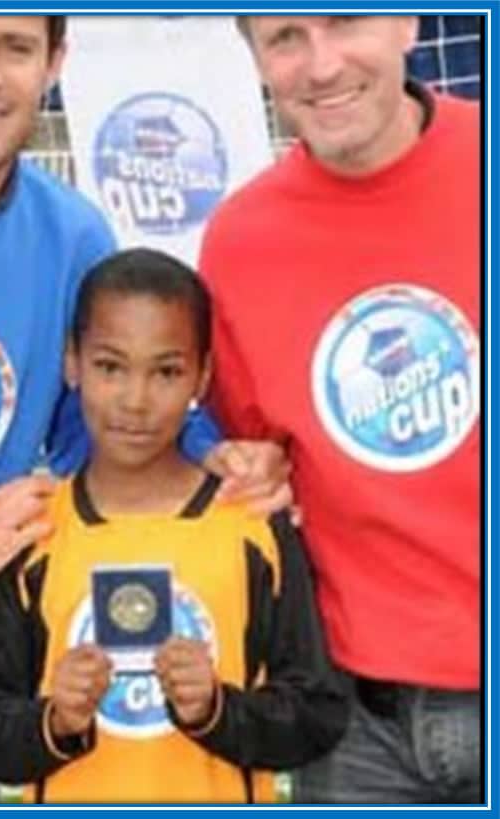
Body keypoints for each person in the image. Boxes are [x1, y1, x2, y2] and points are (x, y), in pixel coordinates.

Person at [0, 14, 288, 805]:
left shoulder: (68, 234)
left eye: (16, 47)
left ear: (55, 62)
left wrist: (212, 453)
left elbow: (92, 418)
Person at [0, 248, 349, 804]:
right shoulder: (30, 529)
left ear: (203, 377)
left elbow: (316, 714)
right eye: (110, 367)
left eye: (166, 371)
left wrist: (216, 710)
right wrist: (56, 721)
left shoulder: (252, 525)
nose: (135, 401)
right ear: (72, 363)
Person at [199, 15, 481, 804]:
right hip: (357, 726)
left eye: (345, 20)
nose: (320, 65)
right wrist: (244, 467)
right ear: (254, 57)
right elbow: (247, 451)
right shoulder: (239, 242)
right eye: (285, 36)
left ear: (407, 22)